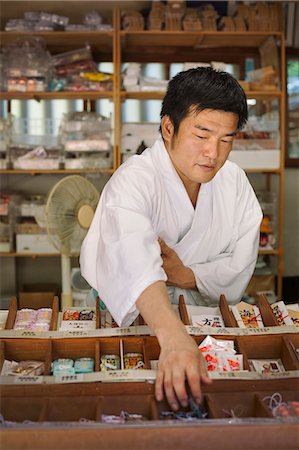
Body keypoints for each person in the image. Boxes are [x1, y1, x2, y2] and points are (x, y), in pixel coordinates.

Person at [80, 67, 263, 411]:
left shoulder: (235, 181)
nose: (214, 153)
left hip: (207, 323)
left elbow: (241, 260)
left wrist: (187, 274)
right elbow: (133, 260)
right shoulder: (134, 181)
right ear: (168, 128)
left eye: (226, 139)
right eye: (202, 135)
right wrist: (172, 335)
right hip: (145, 327)